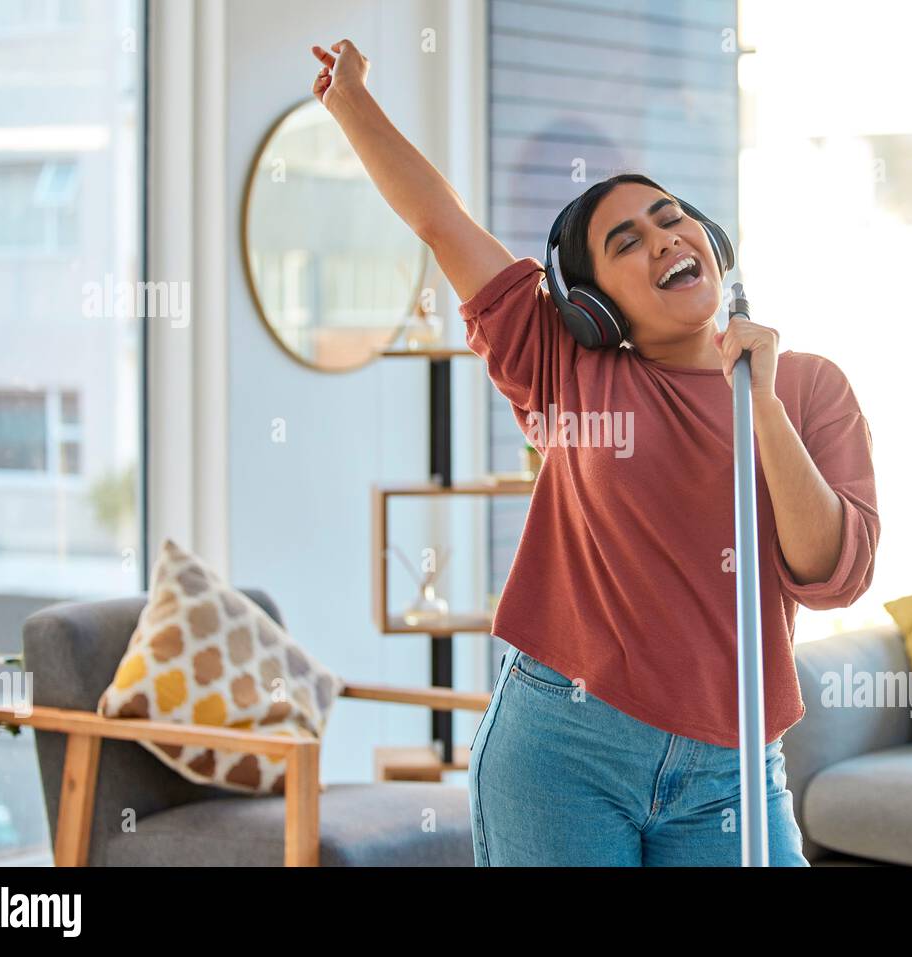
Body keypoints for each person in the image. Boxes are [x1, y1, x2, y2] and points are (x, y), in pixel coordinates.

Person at [311, 39, 880, 866]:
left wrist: (760, 403)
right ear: (594, 310)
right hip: (563, 750)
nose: (662, 238)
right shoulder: (565, 370)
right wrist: (351, 100)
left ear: (710, 241)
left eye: (671, 217)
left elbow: (831, 571)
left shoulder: (808, 386)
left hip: (734, 765)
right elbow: (441, 221)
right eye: (626, 242)